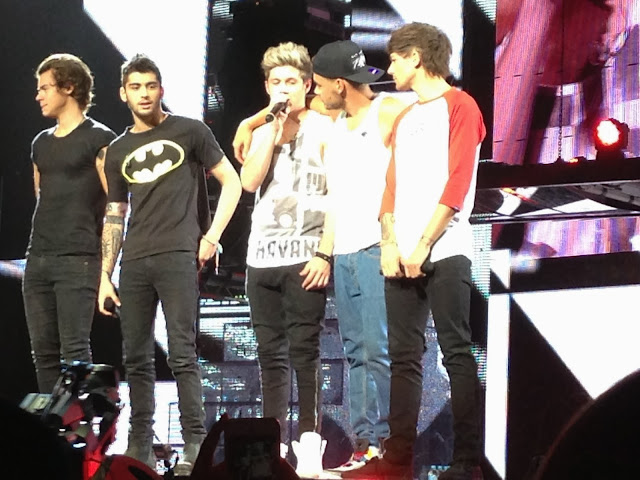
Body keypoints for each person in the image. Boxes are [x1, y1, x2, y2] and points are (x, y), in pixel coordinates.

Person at [343, 23, 486, 480]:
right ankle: (397, 455)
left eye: (395, 58)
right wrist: (389, 241)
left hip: (445, 250)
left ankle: (466, 459)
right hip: (400, 255)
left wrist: (423, 244)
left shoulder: (460, 105)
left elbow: (458, 182)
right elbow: (391, 187)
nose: (390, 67)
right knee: (403, 357)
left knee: (455, 350)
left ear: (417, 57)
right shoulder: (404, 118)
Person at [97, 54, 241, 475]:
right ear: (123, 94)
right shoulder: (118, 150)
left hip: (178, 254)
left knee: (182, 353)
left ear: (161, 89)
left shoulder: (190, 131)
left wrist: (211, 236)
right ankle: (138, 445)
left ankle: (195, 442)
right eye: (135, 87)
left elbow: (231, 181)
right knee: (136, 358)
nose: (144, 94)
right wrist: (104, 275)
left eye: (150, 86)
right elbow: (115, 214)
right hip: (135, 260)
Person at [310, 40, 406, 471]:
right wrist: (325, 252)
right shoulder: (334, 130)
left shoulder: (388, 111)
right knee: (355, 352)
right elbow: (335, 199)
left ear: (338, 84)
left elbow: (411, 174)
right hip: (345, 252)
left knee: (376, 348)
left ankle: (382, 443)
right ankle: (364, 443)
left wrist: (396, 240)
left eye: (319, 84)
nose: (316, 92)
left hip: (375, 248)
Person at [239, 42, 333, 477]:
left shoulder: (326, 128)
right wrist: (269, 128)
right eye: (276, 82)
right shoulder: (262, 129)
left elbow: (339, 194)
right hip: (262, 257)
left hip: (305, 255)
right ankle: (271, 446)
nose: (283, 89)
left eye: (291, 82)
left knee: (304, 352)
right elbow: (249, 181)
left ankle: (309, 445)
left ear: (307, 84)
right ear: (266, 86)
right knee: (269, 355)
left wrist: (325, 252)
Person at [23, 53, 115, 394]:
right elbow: (41, 196)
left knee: (74, 354)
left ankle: (78, 424)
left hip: (78, 260)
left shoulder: (99, 139)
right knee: (43, 354)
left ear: (69, 87)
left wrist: (106, 270)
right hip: (38, 260)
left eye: (45, 87)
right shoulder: (41, 143)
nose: (38, 95)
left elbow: (116, 206)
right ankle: (50, 425)